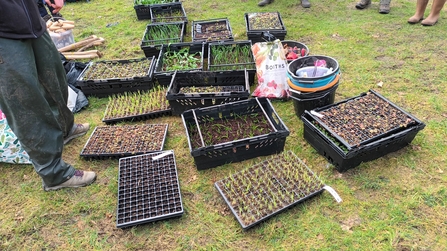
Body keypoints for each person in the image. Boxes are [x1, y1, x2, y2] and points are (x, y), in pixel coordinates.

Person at [0, 0, 97, 191]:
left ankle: (64, 129)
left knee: (55, 79)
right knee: (25, 101)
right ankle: (54, 174)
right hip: (4, 35)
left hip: (30, 20)